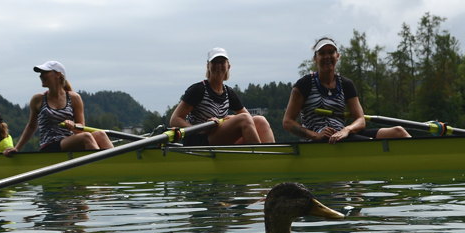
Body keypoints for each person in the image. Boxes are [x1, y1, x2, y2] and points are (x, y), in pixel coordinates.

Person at [282, 37, 412, 143]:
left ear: (337, 56)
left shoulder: (346, 84)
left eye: (331, 52)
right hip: (318, 141)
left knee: (398, 132)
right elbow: (288, 122)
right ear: (315, 58)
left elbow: (360, 119)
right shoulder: (304, 84)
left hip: (342, 135)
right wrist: (316, 135)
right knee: (370, 142)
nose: (327, 56)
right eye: (322, 53)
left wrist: (346, 130)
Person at [168, 48, 275, 145]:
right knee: (244, 119)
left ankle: (272, 159)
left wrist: (227, 119)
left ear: (228, 66)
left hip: (216, 137)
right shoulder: (198, 90)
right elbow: (175, 119)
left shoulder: (228, 92)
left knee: (260, 120)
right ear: (208, 66)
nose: (218, 66)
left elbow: (250, 120)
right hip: (199, 140)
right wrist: (200, 129)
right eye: (214, 62)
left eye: (222, 62)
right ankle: (259, 158)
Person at [5, 60, 113, 156]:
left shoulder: (74, 98)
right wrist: (17, 148)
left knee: (101, 134)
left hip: (69, 142)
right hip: (49, 146)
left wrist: (73, 126)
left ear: (58, 74)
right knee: (86, 137)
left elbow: (81, 126)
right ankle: (101, 166)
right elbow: (31, 126)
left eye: (45, 72)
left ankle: (117, 163)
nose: (41, 76)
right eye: (41, 73)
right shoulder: (38, 99)